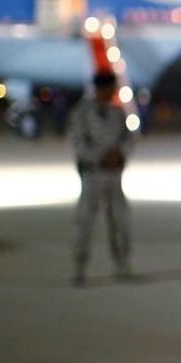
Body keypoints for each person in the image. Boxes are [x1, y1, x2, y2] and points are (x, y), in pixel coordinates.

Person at [69, 71, 136, 284]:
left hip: (114, 174)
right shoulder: (82, 112)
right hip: (93, 173)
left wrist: (120, 154)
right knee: (85, 219)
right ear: (99, 88)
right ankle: (80, 265)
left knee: (119, 219)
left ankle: (122, 263)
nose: (112, 93)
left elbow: (129, 137)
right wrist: (99, 157)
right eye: (109, 89)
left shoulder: (117, 112)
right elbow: (78, 141)